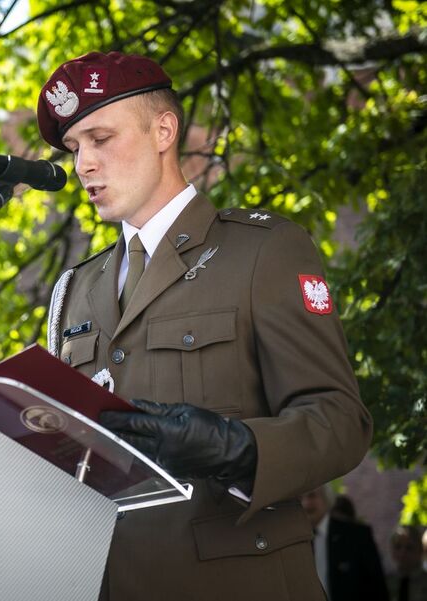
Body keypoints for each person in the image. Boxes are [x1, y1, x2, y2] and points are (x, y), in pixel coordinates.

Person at [40, 52, 373, 600]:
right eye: (75, 147)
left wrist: (237, 449)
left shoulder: (262, 251)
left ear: (163, 131)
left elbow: (340, 420)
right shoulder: (74, 289)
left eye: (100, 139)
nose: (83, 165)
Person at [300, 485, 389, 600]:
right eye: (300, 498)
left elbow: (377, 588)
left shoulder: (356, 535)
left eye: (312, 496)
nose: (305, 503)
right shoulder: (295, 542)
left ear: (326, 498)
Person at [386, 525, 427, 601]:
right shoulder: (388, 581)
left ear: (420, 550)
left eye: (409, 548)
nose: (403, 553)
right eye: (398, 547)